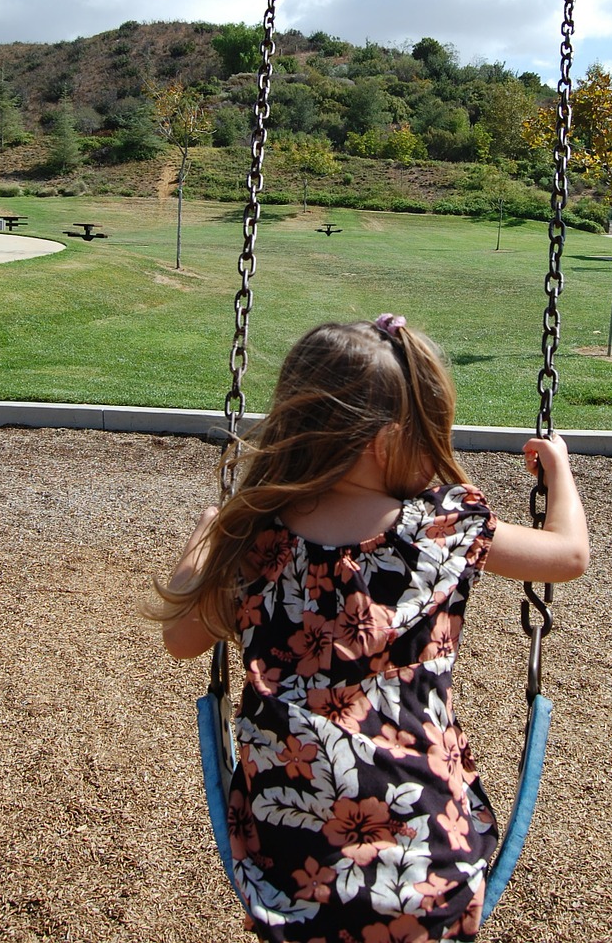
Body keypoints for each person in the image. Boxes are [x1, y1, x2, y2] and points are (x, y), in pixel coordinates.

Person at [151, 316, 589, 943]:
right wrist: (559, 472)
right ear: (386, 442)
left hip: (290, 875)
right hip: (433, 867)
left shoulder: (257, 537)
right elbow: (570, 555)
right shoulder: (445, 526)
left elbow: (180, 640)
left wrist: (209, 534)